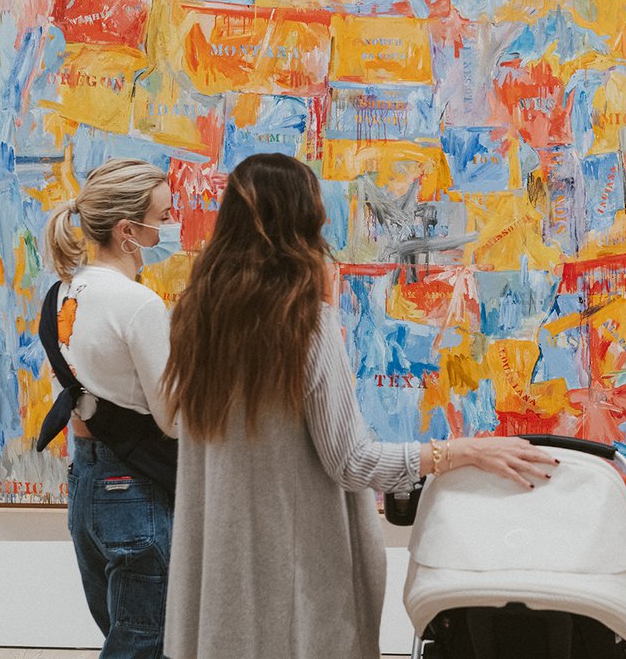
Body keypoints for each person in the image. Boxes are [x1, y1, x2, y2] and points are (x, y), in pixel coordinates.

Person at [160, 153, 558, 659]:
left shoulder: (193, 322)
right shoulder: (304, 325)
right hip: (296, 584)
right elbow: (352, 461)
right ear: (303, 225)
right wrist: (460, 453)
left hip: (221, 581)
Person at [41, 157, 181, 658]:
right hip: (135, 490)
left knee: (124, 636)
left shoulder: (62, 293)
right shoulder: (137, 304)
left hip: (88, 484)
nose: (171, 225)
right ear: (128, 231)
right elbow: (173, 419)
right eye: (163, 216)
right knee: (144, 643)